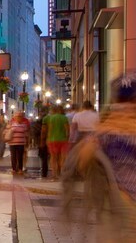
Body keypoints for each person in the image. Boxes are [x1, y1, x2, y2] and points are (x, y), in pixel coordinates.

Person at [62, 72, 136, 239]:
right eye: (122, 102)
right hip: (116, 208)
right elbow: (81, 164)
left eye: (131, 101)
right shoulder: (105, 133)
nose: (127, 107)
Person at [44, 104, 71, 179]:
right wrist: (67, 137)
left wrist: (48, 138)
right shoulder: (64, 118)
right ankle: (62, 172)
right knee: (62, 157)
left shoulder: (51, 118)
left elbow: (50, 129)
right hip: (63, 140)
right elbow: (67, 130)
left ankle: (54, 174)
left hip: (52, 140)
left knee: (53, 157)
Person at [6, 110, 31, 175]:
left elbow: (27, 133)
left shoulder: (24, 124)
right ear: (15, 117)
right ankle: (14, 169)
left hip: (21, 143)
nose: (19, 118)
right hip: (12, 143)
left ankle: (20, 169)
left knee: (20, 156)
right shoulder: (11, 123)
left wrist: (28, 142)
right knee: (13, 156)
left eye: (20, 116)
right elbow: (7, 130)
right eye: (17, 116)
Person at [31, 110, 49, 178]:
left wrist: (36, 141)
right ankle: (45, 171)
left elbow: (34, 133)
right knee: (46, 158)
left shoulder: (37, 123)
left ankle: (44, 171)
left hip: (41, 142)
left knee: (43, 158)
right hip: (49, 140)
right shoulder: (48, 122)